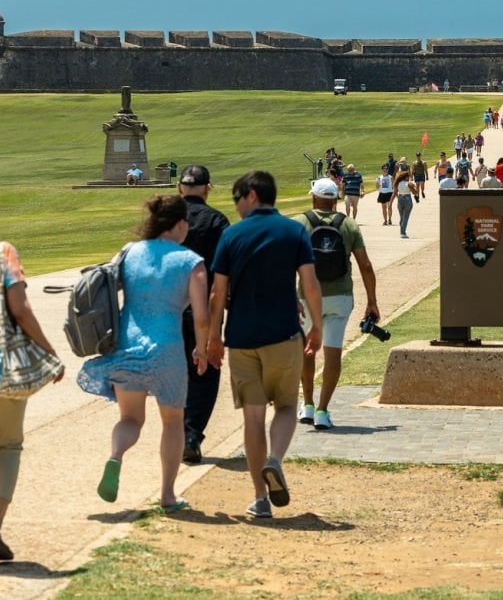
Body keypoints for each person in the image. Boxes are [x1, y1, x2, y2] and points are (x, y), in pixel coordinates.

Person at [79, 195, 210, 513]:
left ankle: (115, 457)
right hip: (167, 349)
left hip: (127, 347)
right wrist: (202, 349)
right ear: (180, 224)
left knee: (131, 419)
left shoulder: (129, 252)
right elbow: (202, 317)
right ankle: (167, 495)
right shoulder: (190, 261)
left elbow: (104, 287)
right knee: (173, 421)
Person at [207, 171, 322, 518]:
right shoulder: (294, 231)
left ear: (252, 195)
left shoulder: (231, 235)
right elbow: (310, 284)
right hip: (284, 335)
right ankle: (275, 461)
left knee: (253, 419)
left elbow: (218, 293)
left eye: (237, 199)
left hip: (242, 339)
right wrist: (316, 325)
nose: (236, 206)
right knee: (287, 406)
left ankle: (260, 498)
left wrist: (214, 335)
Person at [0, 199, 64, 562]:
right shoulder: (1, 253)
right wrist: (50, 352)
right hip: (1, 363)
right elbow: (20, 308)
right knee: (8, 446)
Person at [295, 178, 380, 430]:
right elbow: (365, 265)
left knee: (307, 350)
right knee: (333, 352)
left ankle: (308, 405)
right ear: (336, 200)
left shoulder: (300, 223)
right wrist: (372, 301)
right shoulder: (349, 225)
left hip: (307, 296)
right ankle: (323, 410)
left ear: (313, 198)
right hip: (340, 295)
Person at [177, 164, 230, 464]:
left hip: (167, 307)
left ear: (179, 188)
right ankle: (191, 434)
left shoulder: (165, 219)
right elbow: (225, 270)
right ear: (208, 188)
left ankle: (175, 434)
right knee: (205, 371)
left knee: (173, 372)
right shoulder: (217, 221)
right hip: (207, 306)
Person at [394, 169, 418, 238]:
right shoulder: (409, 183)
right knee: (405, 217)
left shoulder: (397, 183)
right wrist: (415, 187)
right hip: (407, 198)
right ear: (406, 177)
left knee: (402, 217)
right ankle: (403, 232)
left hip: (400, 198)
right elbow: (415, 192)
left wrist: (398, 198)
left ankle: (401, 229)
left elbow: (395, 192)